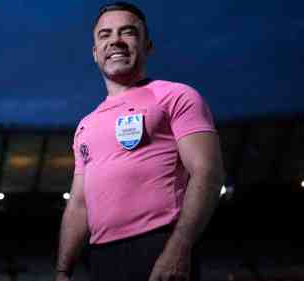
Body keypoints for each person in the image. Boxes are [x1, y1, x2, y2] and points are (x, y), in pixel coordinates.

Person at [54, 2, 225, 281]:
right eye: (105, 35)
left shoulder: (176, 96)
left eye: (128, 32)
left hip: (159, 247)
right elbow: (79, 204)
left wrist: (179, 247)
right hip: (100, 257)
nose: (115, 41)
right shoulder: (85, 125)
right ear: (95, 53)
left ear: (148, 45)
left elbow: (208, 173)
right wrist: (62, 271)